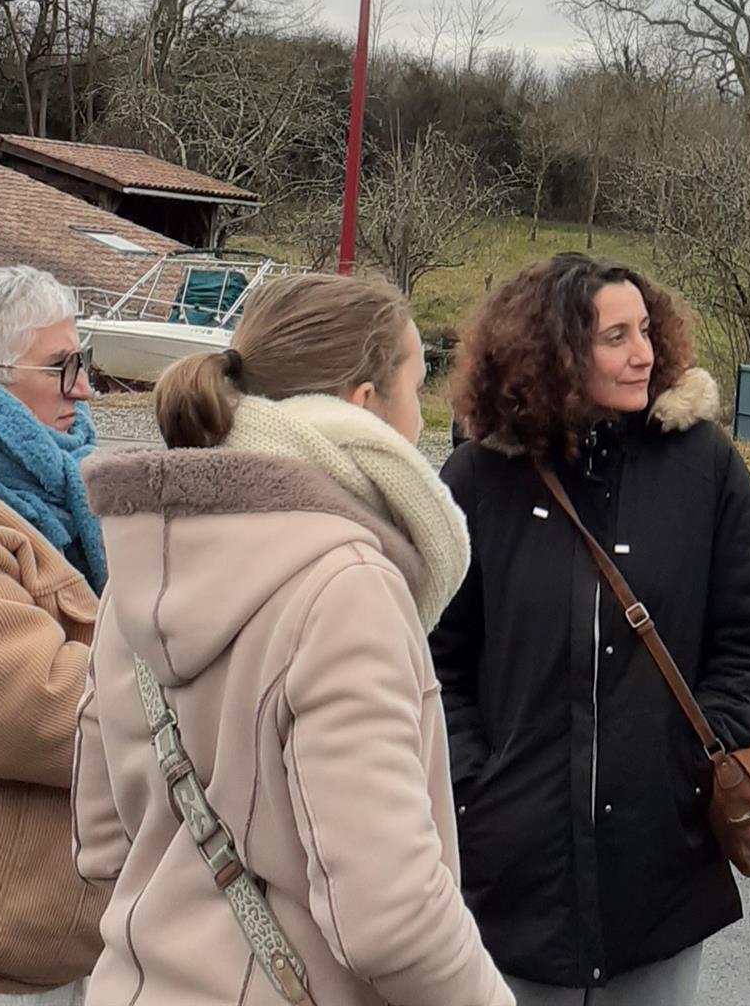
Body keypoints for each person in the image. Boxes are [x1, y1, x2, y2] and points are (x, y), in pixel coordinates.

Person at [72, 274, 513, 1006]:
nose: (422, 421)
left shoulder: (148, 560)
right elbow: (391, 914)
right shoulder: (347, 585)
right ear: (364, 405)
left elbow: (98, 839)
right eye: (416, 388)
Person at [431, 253, 750, 1006]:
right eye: (615, 337)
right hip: (512, 876)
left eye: (646, 330)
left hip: (658, 868)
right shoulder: (476, 481)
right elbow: (434, 654)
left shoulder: (705, 467)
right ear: (554, 352)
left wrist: (691, 762)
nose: (643, 353)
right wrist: (477, 785)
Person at [0, 266, 106, 1004]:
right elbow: (35, 704)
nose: (85, 390)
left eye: (84, 364)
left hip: (67, 930)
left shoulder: (74, 487)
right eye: (62, 368)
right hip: (8, 945)